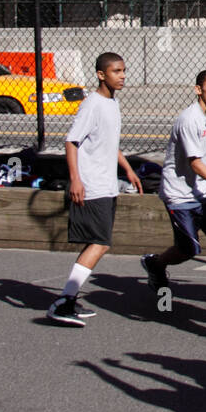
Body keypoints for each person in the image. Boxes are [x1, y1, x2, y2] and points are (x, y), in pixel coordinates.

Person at [47, 52, 142, 326]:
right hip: (91, 185)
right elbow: (71, 141)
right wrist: (76, 179)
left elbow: (109, 142)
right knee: (100, 243)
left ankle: (68, 298)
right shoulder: (93, 104)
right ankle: (64, 301)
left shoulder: (112, 103)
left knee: (97, 243)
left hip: (107, 184)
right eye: (116, 71)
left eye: (124, 70)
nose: (122, 76)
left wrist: (127, 168)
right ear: (102, 74)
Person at [141, 70, 206, 293]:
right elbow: (196, 164)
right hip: (181, 196)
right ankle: (155, 264)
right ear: (198, 90)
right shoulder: (189, 119)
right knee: (188, 249)